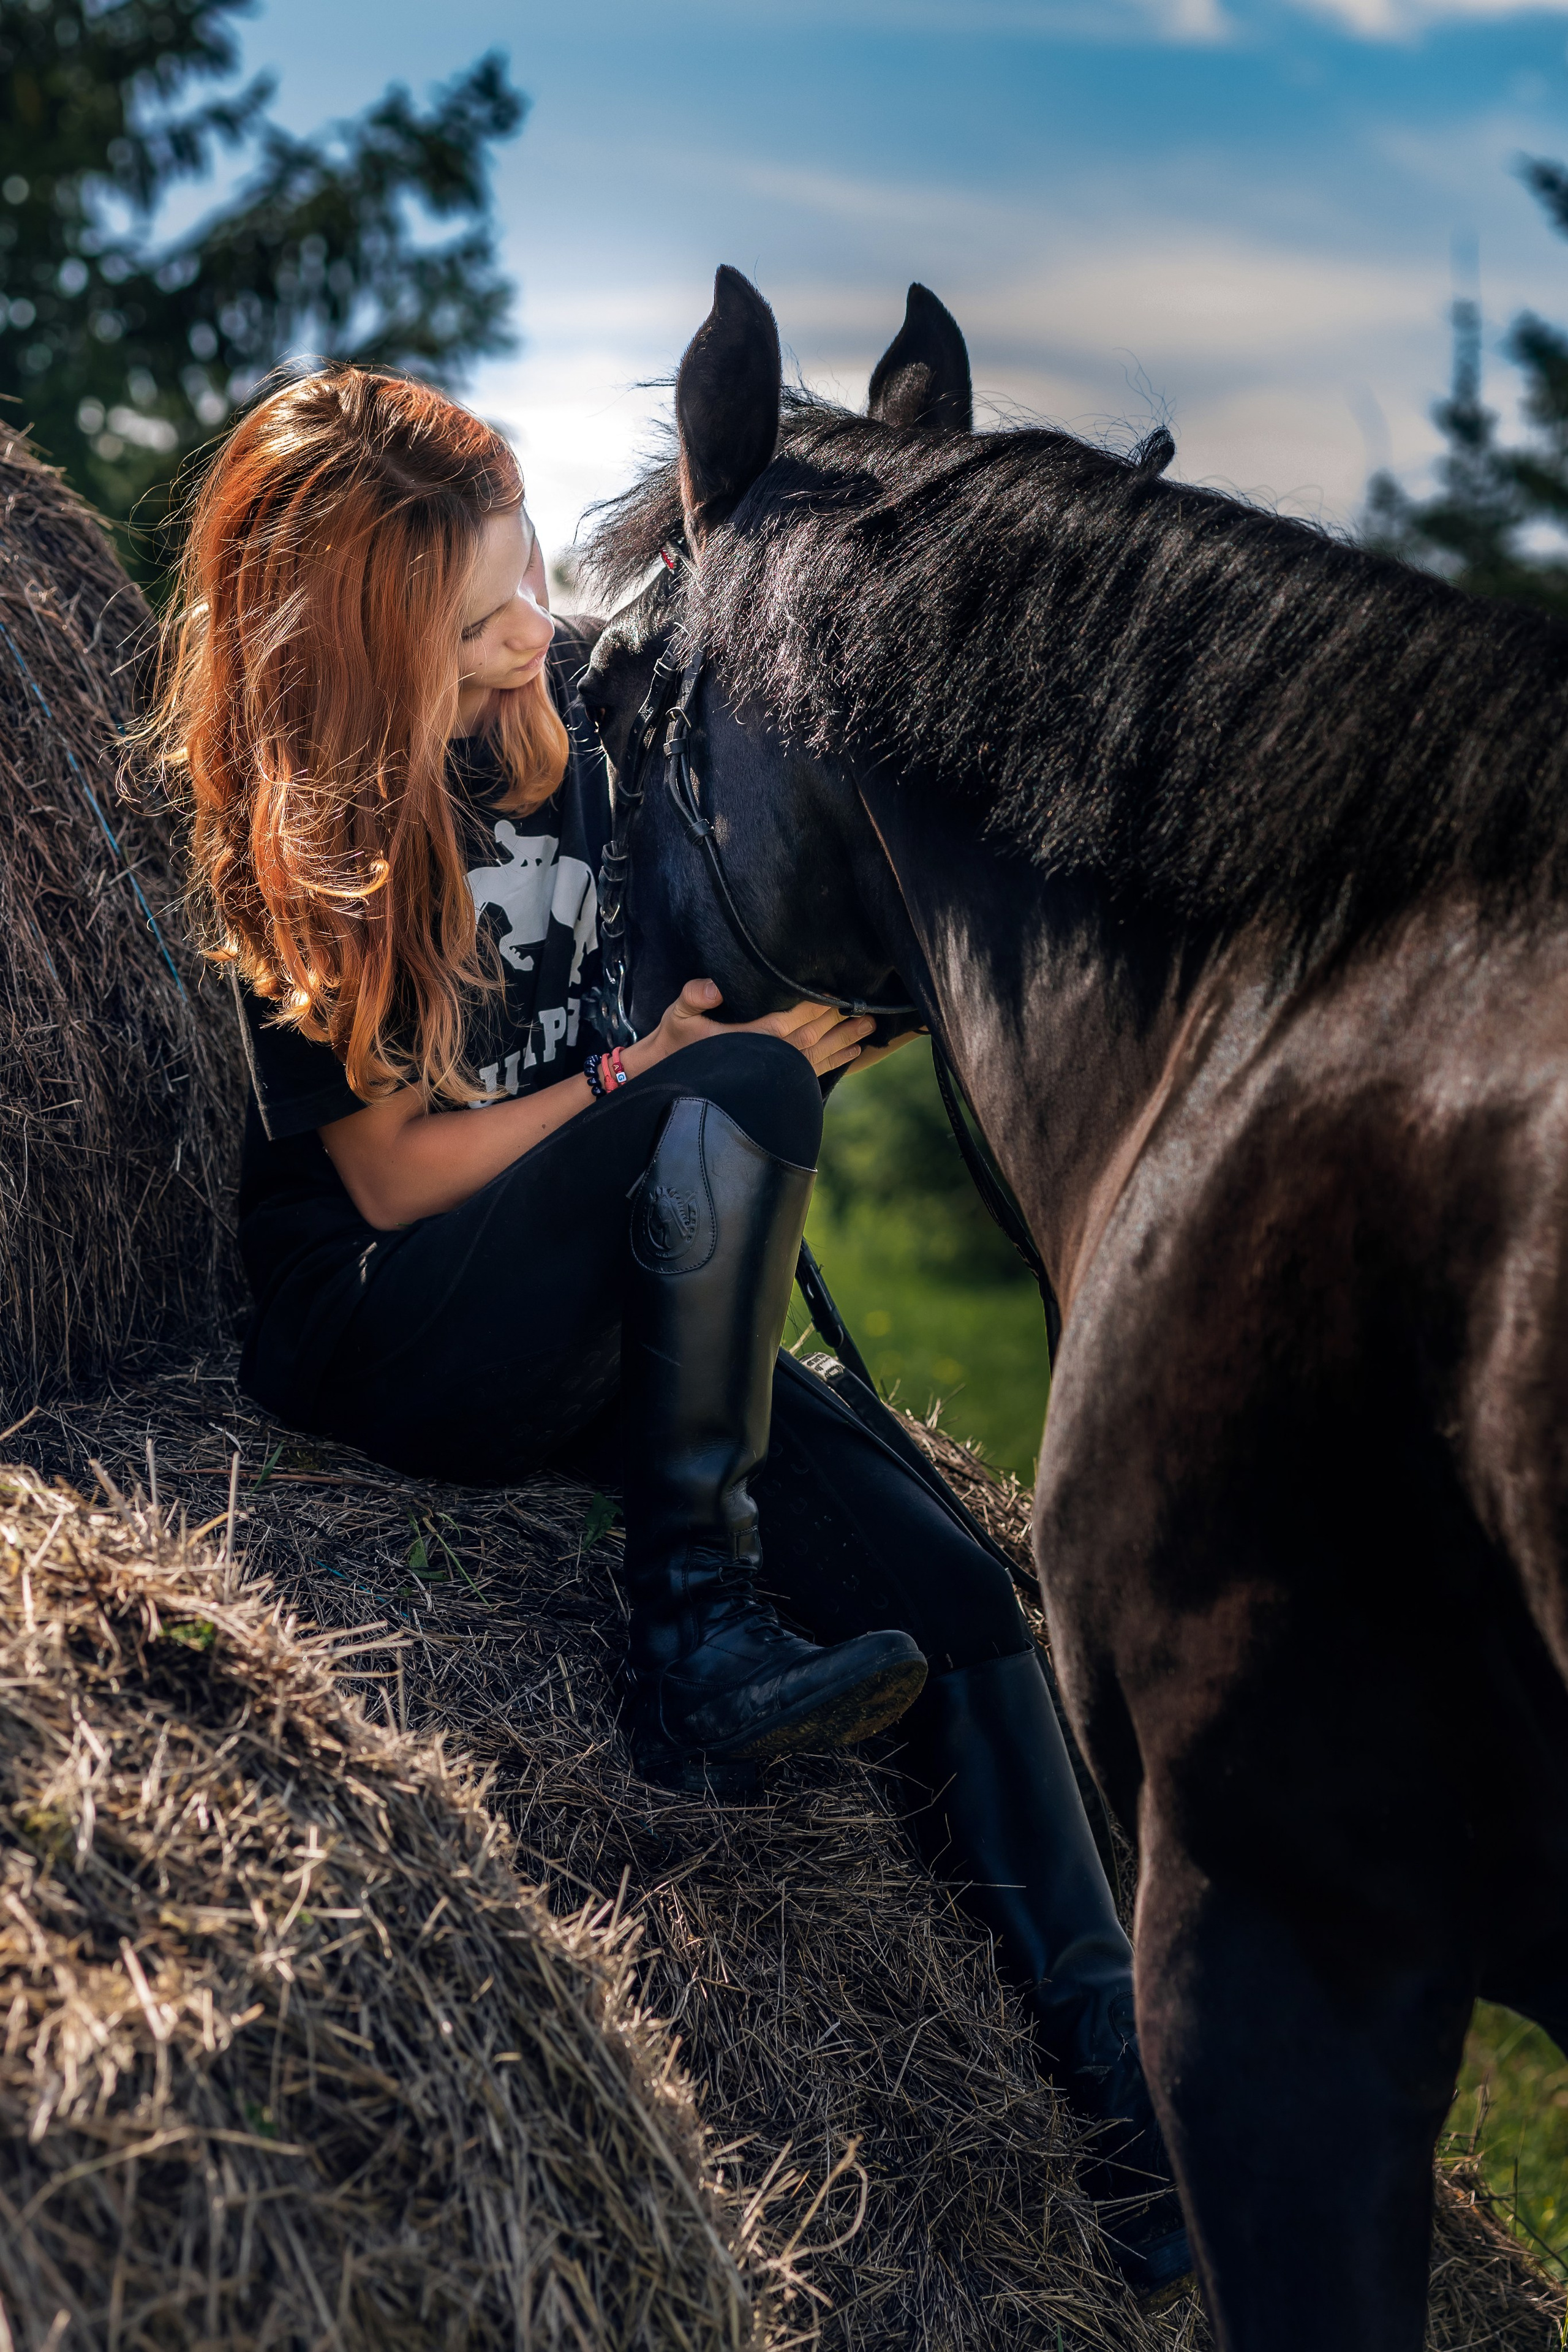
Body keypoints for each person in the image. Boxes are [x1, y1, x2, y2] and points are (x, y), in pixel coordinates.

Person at [145, 361, 1190, 2293]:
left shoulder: (586, 766)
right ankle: (691, 1637)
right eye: (479, 619)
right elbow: (382, 1178)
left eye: (528, 566)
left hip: (611, 1313)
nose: (535, 622)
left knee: (963, 1597)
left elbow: (718, 1037)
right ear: (377, 652)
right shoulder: (309, 834)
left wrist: (827, 1022)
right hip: (406, 1334)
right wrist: (660, 1081)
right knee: (735, 1103)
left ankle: (1131, 2117)